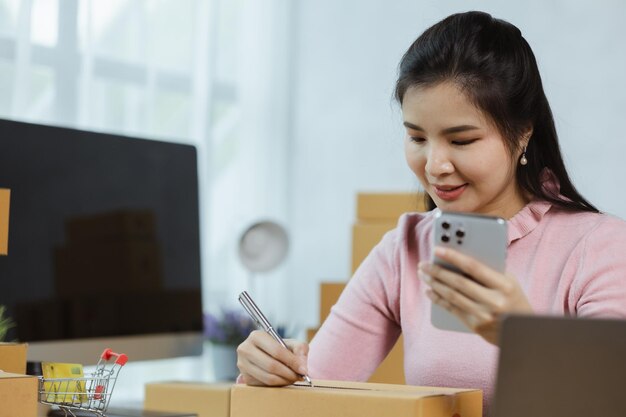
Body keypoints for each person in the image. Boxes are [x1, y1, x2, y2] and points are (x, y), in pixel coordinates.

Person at [235, 10, 626, 416]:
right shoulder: (403, 250)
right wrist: (269, 371)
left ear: (523, 132)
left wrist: (523, 337)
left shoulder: (597, 248)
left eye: (461, 140)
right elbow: (309, 395)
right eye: (416, 137)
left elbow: (610, 400)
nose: (435, 164)